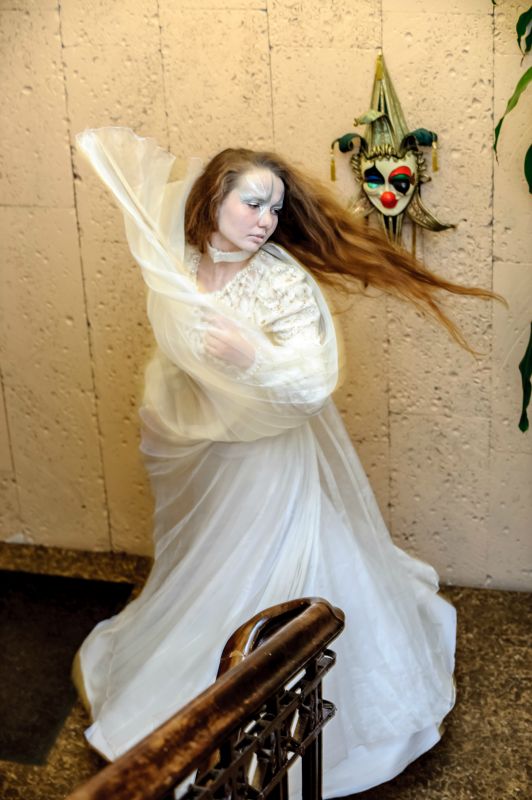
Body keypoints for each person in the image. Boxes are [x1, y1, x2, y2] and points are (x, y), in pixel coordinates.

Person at [73, 128, 494, 796]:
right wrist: (161, 413)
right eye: (252, 204)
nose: (266, 220)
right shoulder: (181, 265)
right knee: (210, 565)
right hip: (211, 458)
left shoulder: (281, 282)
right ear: (213, 201)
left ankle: (275, 715)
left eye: (274, 208)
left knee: (268, 568)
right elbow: (173, 354)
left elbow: (309, 382)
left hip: (269, 460)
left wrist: (254, 357)